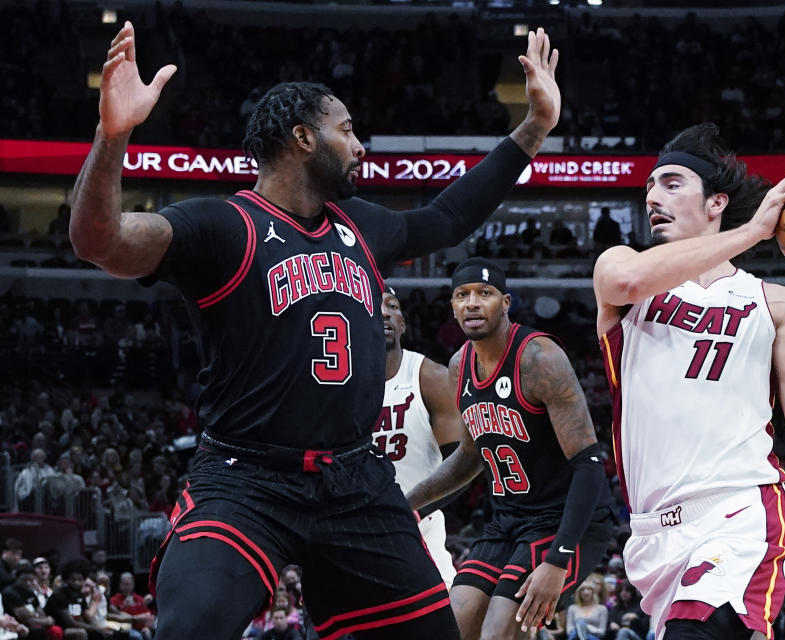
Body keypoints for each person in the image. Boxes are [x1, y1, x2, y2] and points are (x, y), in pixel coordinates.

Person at [69, 19, 559, 640]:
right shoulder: (223, 226)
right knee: (189, 627)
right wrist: (112, 136)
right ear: (302, 138)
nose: (361, 145)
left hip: (354, 479)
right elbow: (100, 243)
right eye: (347, 129)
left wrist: (535, 127)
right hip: (246, 477)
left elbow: (448, 218)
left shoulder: (358, 223)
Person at [592, 122, 785, 640]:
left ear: (715, 203)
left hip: (740, 512)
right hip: (652, 534)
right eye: (649, 188)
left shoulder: (774, 301)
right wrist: (755, 231)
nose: (653, 196)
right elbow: (628, 281)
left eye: (671, 182)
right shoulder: (622, 267)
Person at [407, 258, 616, 639]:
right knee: (453, 627)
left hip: (564, 522)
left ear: (505, 302)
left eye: (484, 294)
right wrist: (408, 505)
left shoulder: (539, 358)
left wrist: (558, 560)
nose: (472, 303)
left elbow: (589, 464)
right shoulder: (459, 366)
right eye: (462, 295)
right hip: (508, 522)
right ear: (452, 307)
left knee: (498, 632)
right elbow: (469, 457)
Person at [379, 287, 461, 587]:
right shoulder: (337, 383)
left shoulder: (430, 378)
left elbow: (462, 466)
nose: (385, 312)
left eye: (393, 306)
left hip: (419, 532)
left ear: (402, 323)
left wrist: (414, 510)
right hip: (355, 530)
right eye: (375, 306)